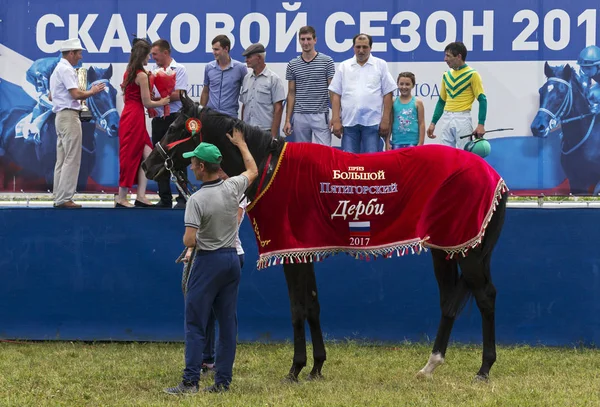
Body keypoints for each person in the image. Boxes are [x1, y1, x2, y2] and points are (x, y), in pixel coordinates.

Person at [164, 130, 258, 395]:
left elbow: (189, 239)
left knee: (195, 323)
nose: (191, 166)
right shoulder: (232, 187)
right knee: (228, 324)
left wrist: (191, 239)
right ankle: (222, 383)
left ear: (202, 167)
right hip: (231, 260)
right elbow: (252, 169)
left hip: (208, 262)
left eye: (194, 163)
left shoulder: (196, 200)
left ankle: (190, 382)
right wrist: (241, 144)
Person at [49, 38, 106, 208]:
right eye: (79, 53)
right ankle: (65, 198)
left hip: (60, 116)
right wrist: (92, 91)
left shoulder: (57, 70)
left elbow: (51, 96)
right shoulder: (66, 70)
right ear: (71, 53)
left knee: (62, 159)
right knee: (72, 158)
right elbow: (76, 95)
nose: (80, 57)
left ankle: (59, 196)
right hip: (69, 116)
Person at [115, 40, 170, 208]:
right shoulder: (141, 75)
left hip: (130, 115)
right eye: (148, 55)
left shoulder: (129, 73)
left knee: (148, 156)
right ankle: (122, 197)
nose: (150, 58)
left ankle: (140, 195)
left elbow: (129, 97)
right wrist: (163, 101)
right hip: (135, 117)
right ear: (143, 55)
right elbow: (147, 103)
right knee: (130, 155)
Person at [329, 33, 396, 153]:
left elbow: (388, 93)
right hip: (349, 123)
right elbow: (336, 95)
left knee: (372, 161)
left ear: (371, 48)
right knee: (350, 163)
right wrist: (336, 120)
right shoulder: (344, 66)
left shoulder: (380, 65)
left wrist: (385, 119)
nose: (361, 50)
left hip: (372, 123)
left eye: (365, 47)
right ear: (353, 47)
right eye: (358, 47)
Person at [150, 39, 189, 209]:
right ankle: (164, 197)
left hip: (175, 118)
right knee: (159, 157)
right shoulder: (152, 71)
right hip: (158, 118)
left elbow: (179, 94)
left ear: (166, 53)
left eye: (155, 54)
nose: (153, 58)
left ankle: (182, 197)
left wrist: (157, 99)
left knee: (178, 157)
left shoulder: (179, 69)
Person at [427, 41, 487, 150]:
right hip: (447, 117)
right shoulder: (447, 75)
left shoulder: (472, 74)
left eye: (448, 56)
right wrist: (433, 123)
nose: (445, 59)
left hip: (462, 118)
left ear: (459, 56)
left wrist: (481, 124)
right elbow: (441, 101)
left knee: (464, 154)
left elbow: (482, 100)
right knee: (445, 154)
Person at [283, 26, 336, 145]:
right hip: (299, 115)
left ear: (315, 40)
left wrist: (336, 116)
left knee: (323, 154)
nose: (305, 43)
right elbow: (291, 93)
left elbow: (332, 91)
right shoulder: (292, 64)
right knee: (302, 155)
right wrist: (287, 120)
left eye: (308, 39)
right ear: (299, 41)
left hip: (321, 115)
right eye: (302, 39)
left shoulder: (327, 61)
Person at [239, 43, 286, 137]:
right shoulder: (246, 78)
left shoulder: (274, 79)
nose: (246, 60)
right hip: (248, 130)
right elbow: (244, 105)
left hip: (265, 132)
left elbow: (278, 109)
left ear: (259, 58)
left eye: (249, 57)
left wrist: (273, 136)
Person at [200, 35, 248, 117]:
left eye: (216, 49)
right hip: (210, 116)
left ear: (226, 49)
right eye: (213, 49)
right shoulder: (209, 67)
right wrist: (200, 113)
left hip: (230, 117)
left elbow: (247, 93)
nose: (213, 52)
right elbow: (205, 91)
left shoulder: (240, 68)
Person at [386, 72, 425, 150]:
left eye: (407, 84)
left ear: (413, 85)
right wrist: (387, 142)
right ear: (397, 84)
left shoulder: (417, 103)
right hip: (396, 142)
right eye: (401, 84)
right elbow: (390, 123)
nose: (404, 87)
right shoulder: (393, 102)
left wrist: (420, 143)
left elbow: (421, 124)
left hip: (413, 143)